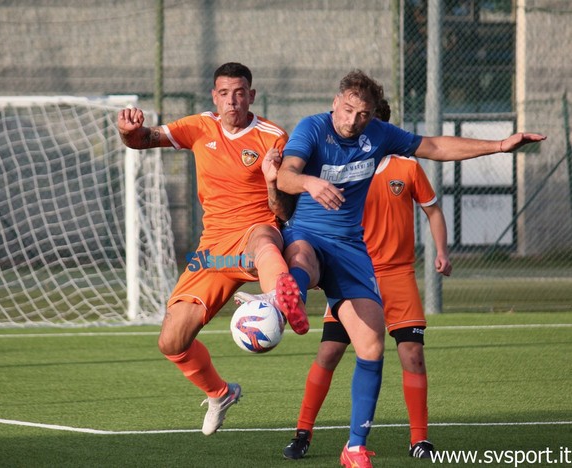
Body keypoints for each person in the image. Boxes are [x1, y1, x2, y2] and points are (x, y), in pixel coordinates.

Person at [274, 70, 545, 468]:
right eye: (347, 110)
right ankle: (289, 297)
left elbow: (435, 145)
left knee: (371, 347)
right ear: (335, 102)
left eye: (362, 114)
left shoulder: (380, 136)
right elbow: (285, 173)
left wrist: (500, 145)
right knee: (304, 260)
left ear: (372, 116)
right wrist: (310, 184)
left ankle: (354, 448)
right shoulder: (312, 128)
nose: (352, 120)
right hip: (310, 234)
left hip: (353, 251)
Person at [116, 62, 308, 436]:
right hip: (213, 253)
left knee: (266, 242)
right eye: (224, 93)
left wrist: (272, 182)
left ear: (251, 95)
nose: (232, 101)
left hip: (255, 231)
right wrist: (128, 131)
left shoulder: (273, 137)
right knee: (171, 341)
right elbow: (143, 140)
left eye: (240, 93)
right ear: (214, 97)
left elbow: (284, 211)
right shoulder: (199, 127)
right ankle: (220, 394)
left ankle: (277, 302)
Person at [282, 99, 452, 462]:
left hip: (397, 275)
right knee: (329, 352)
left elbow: (433, 208)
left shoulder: (406, 167)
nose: (359, 129)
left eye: (368, 122)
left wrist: (442, 250)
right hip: (353, 271)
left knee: (412, 354)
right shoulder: (340, 167)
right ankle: (302, 432)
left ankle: (417, 439)